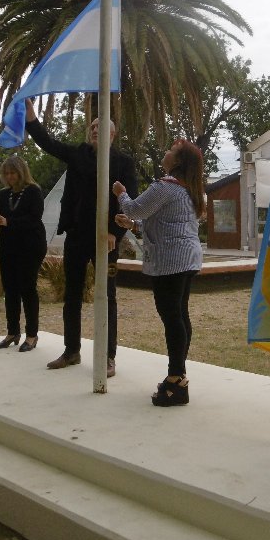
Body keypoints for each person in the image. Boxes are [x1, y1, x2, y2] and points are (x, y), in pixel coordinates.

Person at [23, 98, 137, 376]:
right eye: (92, 126)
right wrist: (31, 118)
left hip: (105, 239)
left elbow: (130, 203)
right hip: (76, 236)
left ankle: (108, 357)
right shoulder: (78, 155)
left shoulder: (123, 163)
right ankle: (71, 351)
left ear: (113, 134)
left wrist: (116, 232)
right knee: (72, 296)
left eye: (101, 127)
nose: (95, 129)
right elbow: (48, 144)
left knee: (107, 297)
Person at [113, 140, 204, 406]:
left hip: (170, 261)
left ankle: (176, 379)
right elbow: (162, 223)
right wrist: (134, 226)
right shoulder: (188, 190)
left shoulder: (165, 186)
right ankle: (178, 377)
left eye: (171, 151)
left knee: (172, 318)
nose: (166, 152)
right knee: (180, 316)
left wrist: (121, 193)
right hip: (187, 258)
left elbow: (135, 208)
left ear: (176, 161)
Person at [0, 155, 47, 353]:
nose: (10, 177)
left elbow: (34, 218)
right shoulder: (4, 194)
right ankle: (12, 331)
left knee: (27, 289)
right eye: (6, 173)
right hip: (9, 246)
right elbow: (3, 221)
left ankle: (32, 334)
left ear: (21, 172)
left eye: (13, 172)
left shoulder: (33, 191)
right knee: (10, 289)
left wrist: (8, 222)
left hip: (31, 246)